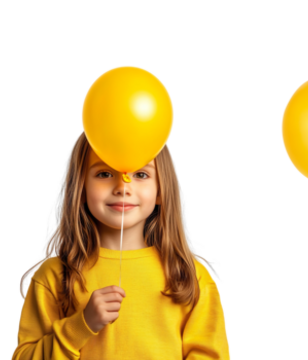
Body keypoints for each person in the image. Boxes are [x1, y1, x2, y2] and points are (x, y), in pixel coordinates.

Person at [12, 130, 230, 359]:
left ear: (161, 190)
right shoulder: (53, 276)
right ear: (81, 186)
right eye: (104, 173)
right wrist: (80, 326)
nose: (123, 187)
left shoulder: (191, 277)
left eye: (141, 174)